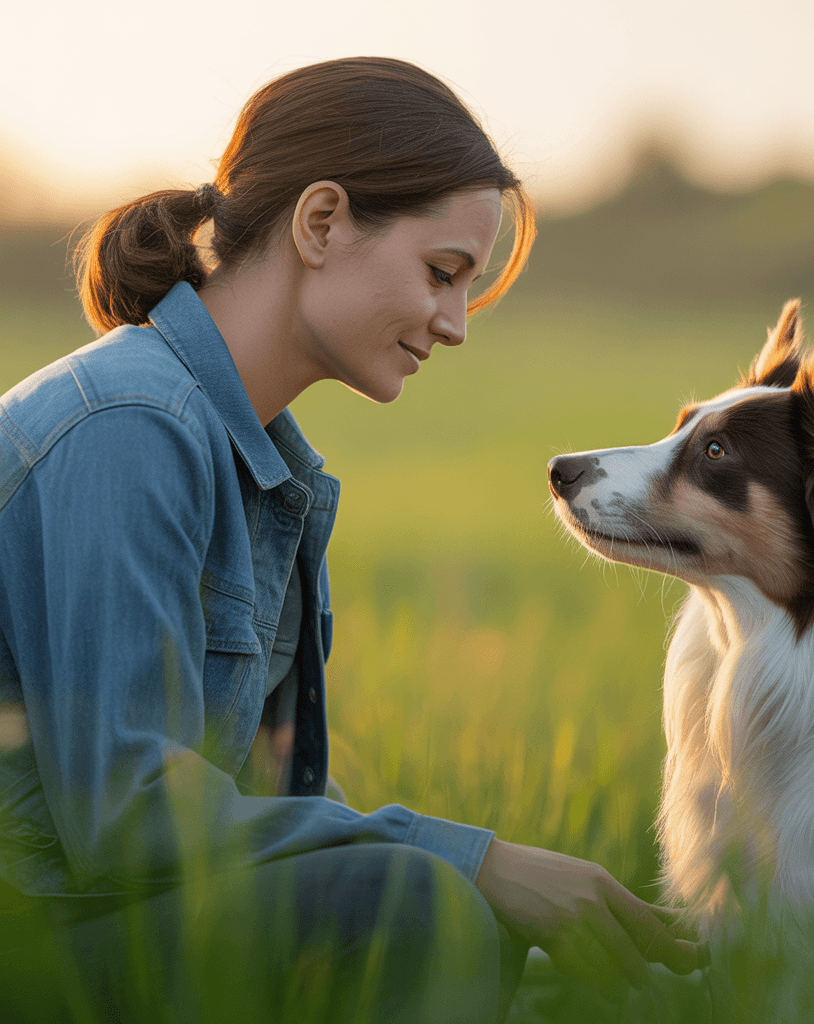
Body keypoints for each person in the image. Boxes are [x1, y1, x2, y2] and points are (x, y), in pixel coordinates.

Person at [0, 57, 699, 1021]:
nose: (455, 325)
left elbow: (271, 819)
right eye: (442, 273)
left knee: (449, 912)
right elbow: (129, 818)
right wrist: (469, 859)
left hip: (117, 934)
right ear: (321, 222)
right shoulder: (128, 426)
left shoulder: (271, 474)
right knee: (411, 902)